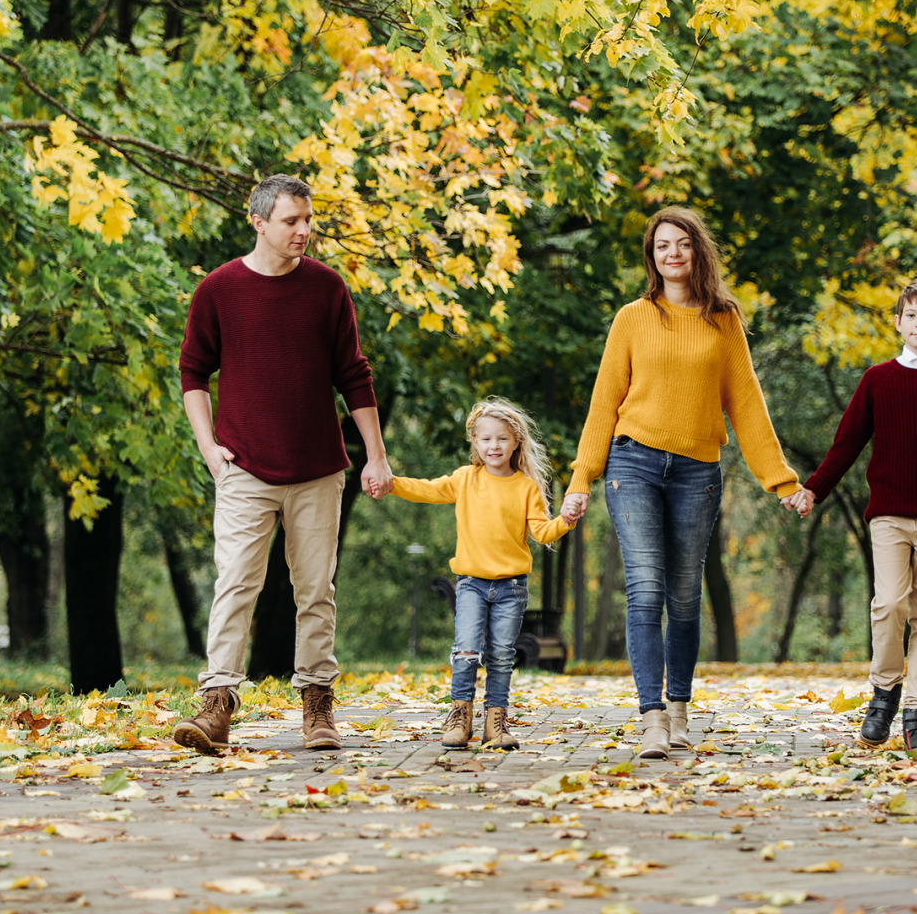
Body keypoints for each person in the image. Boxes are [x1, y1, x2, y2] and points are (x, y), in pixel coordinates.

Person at [561, 207, 803, 760]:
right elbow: (605, 401)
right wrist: (582, 475)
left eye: (682, 244)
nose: (671, 253)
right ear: (652, 257)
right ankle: (650, 718)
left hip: (697, 471)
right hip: (633, 464)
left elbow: (747, 405)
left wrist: (781, 481)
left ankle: (678, 709)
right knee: (645, 589)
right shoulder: (632, 317)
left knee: (685, 596)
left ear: (698, 251)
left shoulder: (723, 321)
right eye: (661, 245)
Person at [171, 174, 394, 756]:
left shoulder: (326, 289)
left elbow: (354, 374)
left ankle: (318, 702)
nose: (304, 230)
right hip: (243, 467)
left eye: (307, 219)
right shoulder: (219, 289)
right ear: (259, 222)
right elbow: (193, 371)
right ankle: (217, 703)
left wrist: (376, 454)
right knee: (236, 584)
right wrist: (207, 447)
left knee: (314, 590)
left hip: (319, 468)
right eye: (292, 220)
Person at [788, 278, 917, 753]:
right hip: (890, 516)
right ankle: (884, 694)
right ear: (898, 322)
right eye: (911, 315)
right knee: (889, 605)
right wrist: (813, 490)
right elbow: (847, 443)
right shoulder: (878, 380)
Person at [390, 398, 575, 750]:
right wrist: (391, 482)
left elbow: (542, 532)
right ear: (475, 442)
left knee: (502, 654)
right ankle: (460, 716)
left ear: (517, 441)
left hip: (511, 588)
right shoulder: (465, 479)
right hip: (472, 585)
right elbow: (427, 489)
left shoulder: (526, 487)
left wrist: (565, 520)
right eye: (486, 439)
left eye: (502, 439)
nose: (494, 446)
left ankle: (496, 722)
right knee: (466, 651)